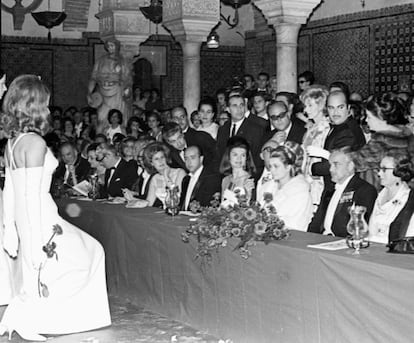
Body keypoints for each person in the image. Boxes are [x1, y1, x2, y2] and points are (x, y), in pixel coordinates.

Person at [0, 74, 111, 340]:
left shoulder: (12, 143)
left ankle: (51, 316)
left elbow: (10, 191)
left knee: (76, 258)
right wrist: (34, 238)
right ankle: (47, 319)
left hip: (27, 218)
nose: (49, 110)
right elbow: (27, 194)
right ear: (34, 106)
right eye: (46, 104)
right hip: (41, 217)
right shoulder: (35, 143)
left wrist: (11, 228)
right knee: (91, 252)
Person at [308, 147, 377, 237]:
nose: (331, 169)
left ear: (350, 166)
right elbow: (317, 221)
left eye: (336, 164)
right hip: (322, 239)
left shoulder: (364, 190)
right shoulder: (329, 189)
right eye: (330, 165)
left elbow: (360, 226)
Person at [353, 93, 414, 190]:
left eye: (369, 117)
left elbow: (353, 162)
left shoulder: (381, 143)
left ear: (381, 119)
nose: (366, 120)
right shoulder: (406, 134)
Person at [265, 142, 313, 231]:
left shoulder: (300, 191)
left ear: (288, 167)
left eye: (276, 166)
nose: (272, 170)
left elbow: (293, 223)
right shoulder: (271, 186)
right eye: (270, 166)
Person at [87, 38, 132, 132]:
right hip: (103, 91)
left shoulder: (122, 61)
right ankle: (101, 136)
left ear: (117, 47)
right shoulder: (100, 61)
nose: (110, 48)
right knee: (101, 117)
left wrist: (127, 89)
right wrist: (89, 93)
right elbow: (93, 77)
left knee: (117, 115)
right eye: (108, 46)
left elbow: (127, 78)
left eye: (112, 46)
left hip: (117, 92)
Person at [368, 153, 414, 244]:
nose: (379, 173)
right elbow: (371, 230)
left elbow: (406, 238)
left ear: (399, 172)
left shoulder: (409, 201)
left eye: (384, 169)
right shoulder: (380, 196)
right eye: (379, 169)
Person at [217, 94, 264, 174]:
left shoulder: (255, 129)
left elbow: (257, 159)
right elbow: (220, 154)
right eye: (235, 106)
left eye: (241, 105)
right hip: (226, 175)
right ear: (228, 109)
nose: (239, 109)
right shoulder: (223, 129)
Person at [300, 85, 330, 208]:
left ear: (321, 105)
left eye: (310, 105)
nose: (306, 110)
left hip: (319, 182)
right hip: (306, 181)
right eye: (305, 106)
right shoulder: (311, 129)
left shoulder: (327, 127)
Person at [137, 142, 186, 207]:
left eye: (162, 157)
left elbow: (175, 200)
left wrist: (166, 177)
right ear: (151, 163)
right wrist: (133, 201)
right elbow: (149, 203)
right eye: (156, 159)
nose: (160, 161)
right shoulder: (155, 178)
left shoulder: (180, 172)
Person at [179, 145, 222, 210]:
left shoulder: (212, 178)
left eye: (193, 158)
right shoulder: (186, 180)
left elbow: (211, 206)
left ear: (201, 159)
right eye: (186, 159)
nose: (189, 162)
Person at [219, 136, 256, 207]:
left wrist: (248, 195)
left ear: (246, 158)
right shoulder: (225, 180)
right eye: (235, 155)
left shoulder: (250, 180)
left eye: (243, 155)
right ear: (228, 157)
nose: (239, 159)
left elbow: (251, 210)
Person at [256, 139, 280, 206]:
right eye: (269, 149)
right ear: (261, 155)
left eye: (277, 150)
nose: (273, 153)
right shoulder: (253, 176)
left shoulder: (284, 178)